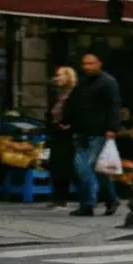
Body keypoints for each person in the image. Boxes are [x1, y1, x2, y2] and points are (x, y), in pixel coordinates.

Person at [66, 53, 121, 217]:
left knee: (85, 168)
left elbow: (114, 106)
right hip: (81, 131)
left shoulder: (108, 82)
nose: (87, 67)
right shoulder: (82, 83)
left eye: (91, 63)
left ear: (99, 64)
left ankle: (88, 204)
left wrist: (112, 128)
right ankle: (111, 199)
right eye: (84, 63)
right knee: (97, 170)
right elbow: (73, 102)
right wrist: (67, 120)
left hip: (98, 132)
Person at [44, 67, 77, 208]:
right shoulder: (58, 94)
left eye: (59, 75)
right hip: (56, 131)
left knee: (66, 165)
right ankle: (58, 196)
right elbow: (51, 112)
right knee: (56, 164)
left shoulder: (74, 94)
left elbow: (80, 112)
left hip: (69, 134)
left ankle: (63, 196)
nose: (56, 78)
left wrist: (71, 125)